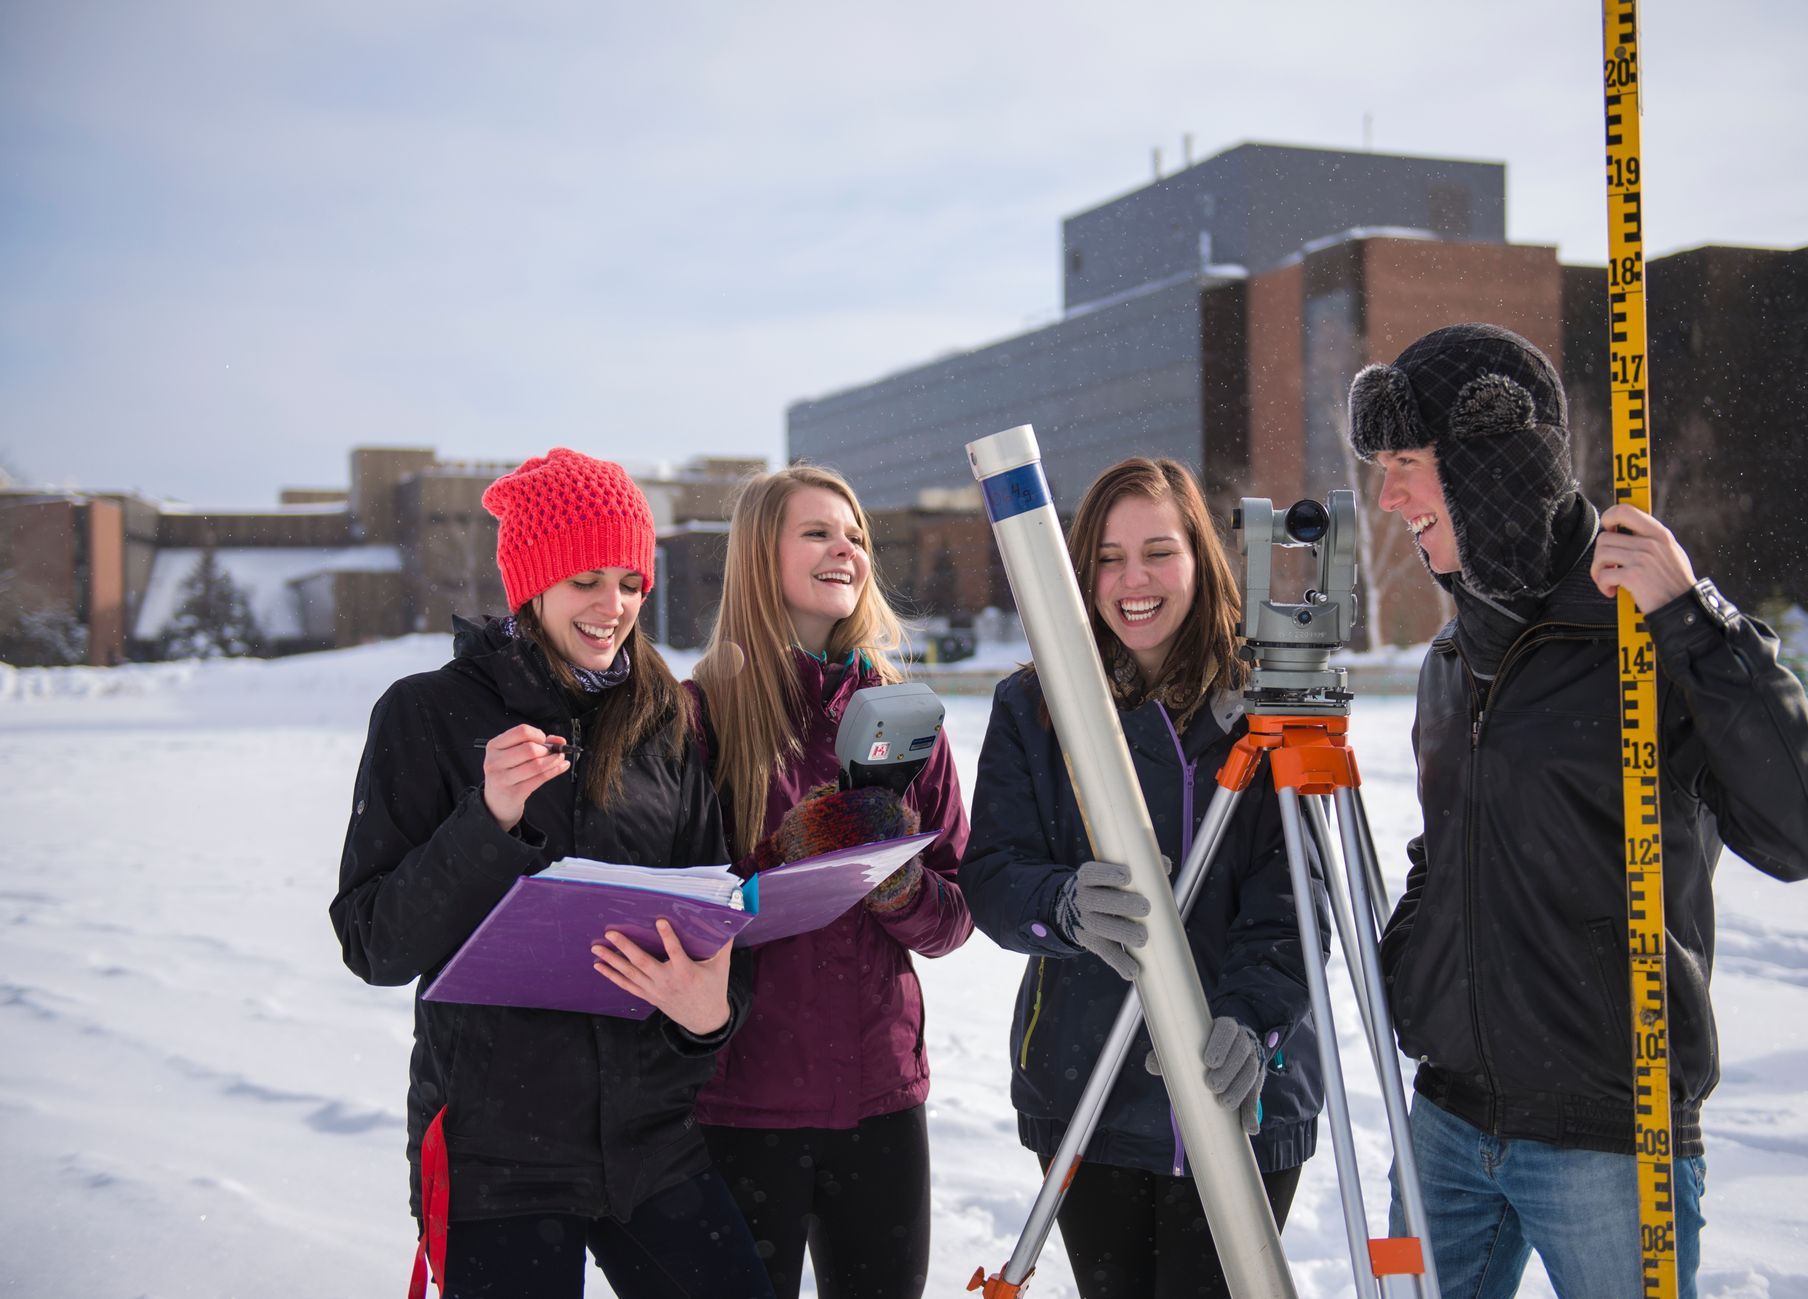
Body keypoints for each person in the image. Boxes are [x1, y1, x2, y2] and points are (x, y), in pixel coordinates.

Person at [1347, 323, 1808, 1299]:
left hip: (1609, 1139)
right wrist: (1408, 967)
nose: (1390, 498)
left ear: (1490, 463)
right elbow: (1450, 847)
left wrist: (1695, 624)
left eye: (1409, 464)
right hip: (1448, 1127)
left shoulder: (1645, 637)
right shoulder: (1455, 657)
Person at [331, 448, 774, 1299]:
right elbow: (374, 942)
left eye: (632, 583)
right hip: (496, 1157)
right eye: (585, 581)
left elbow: (716, 910)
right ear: (531, 582)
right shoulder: (425, 714)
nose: (614, 608)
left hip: (651, 1140)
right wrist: (486, 820)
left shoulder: (666, 721)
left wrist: (710, 1012)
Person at [959, 457, 1328, 1299]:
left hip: (1242, 1088)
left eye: (1159, 552)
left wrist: (1254, 1017)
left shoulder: (1262, 697)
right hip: (1091, 1086)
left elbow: (1296, 899)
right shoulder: (1035, 705)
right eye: (1109, 558)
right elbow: (993, 873)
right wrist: (1061, 904)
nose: (1133, 581)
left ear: (1200, 556)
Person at [603, 464, 972, 1299]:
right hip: (739, 1106)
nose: (846, 546)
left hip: (880, 1099)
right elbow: (667, 911)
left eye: (856, 535)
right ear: (757, 556)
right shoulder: (698, 716)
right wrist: (785, 863)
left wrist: (893, 882)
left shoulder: (906, 718)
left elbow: (954, 918)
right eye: (817, 531)